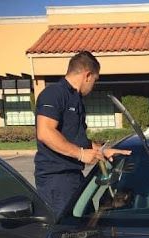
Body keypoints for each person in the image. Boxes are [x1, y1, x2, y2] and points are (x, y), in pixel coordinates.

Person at [34, 51, 131, 217]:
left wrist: (102, 151)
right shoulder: (54, 94)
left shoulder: (75, 99)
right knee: (67, 233)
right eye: (95, 79)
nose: (93, 85)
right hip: (56, 180)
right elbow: (45, 132)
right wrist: (80, 154)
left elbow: (77, 139)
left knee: (84, 226)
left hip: (73, 177)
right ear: (87, 75)